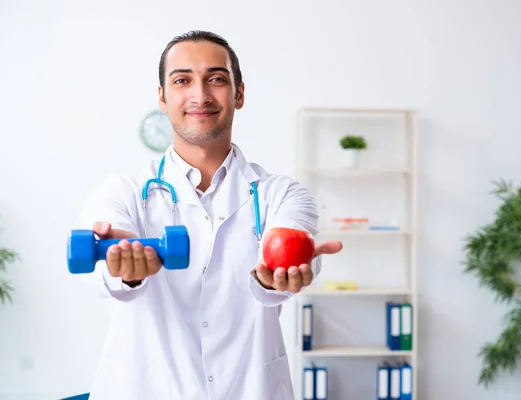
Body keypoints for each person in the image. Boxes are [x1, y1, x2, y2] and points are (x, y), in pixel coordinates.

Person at [77, 30, 343, 400]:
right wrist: (125, 269)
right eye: (182, 80)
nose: (200, 95)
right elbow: (102, 266)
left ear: (239, 94)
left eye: (216, 79)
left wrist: (279, 276)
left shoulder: (281, 194)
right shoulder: (121, 192)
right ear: (162, 98)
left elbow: (288, 247)